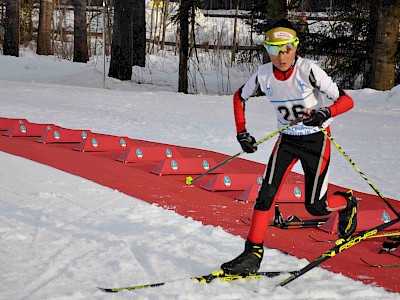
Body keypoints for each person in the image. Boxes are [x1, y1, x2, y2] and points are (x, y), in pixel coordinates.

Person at [221, 19, 358, 275]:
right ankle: (252, 255)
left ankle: (347, 203)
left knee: (315, 207)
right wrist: (242, 132)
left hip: (315, 141)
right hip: (287, 140)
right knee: (265, 197)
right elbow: (239, 97)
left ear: (295, 47)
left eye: (286, 49)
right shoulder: (263, 74)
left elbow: (347, 101)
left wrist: (326, 112)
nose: (281, 56)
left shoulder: (309, 70)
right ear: (267, 49)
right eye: (274, 49)